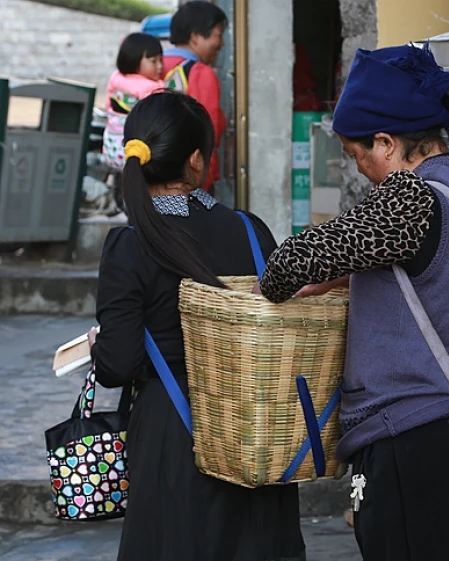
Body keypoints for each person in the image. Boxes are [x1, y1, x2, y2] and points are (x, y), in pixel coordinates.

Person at [256, 43, 449, 561]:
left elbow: (286, 269)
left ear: (387, 142)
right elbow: (442, 280)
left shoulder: (410, 198)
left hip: (418, 444)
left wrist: (318, 270)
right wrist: (354, 276)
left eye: (359, 157)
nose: (362, 173)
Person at [88, 91, 305, 561]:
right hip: (254, 424)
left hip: (173, 433)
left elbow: (117, 364)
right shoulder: (251, 230)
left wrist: (98, 346)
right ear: (195, 160)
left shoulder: (128, 245)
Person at [162, 0, 227, 193]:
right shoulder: (200, 73)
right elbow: (207, 135)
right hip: (187, 186)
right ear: (196, 36)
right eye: (218, 35)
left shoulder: (152, 66)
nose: (221, 44)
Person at [102, 33, 164, 172]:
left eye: (161, 60)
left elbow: (108, 105)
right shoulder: (153, 87)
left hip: (111, 147)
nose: (160, 66)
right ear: (134, 61)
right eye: (154, 61)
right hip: (136, 153)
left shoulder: (116, 77)